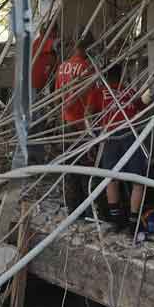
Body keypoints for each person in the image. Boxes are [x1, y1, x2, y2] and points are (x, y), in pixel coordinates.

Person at [89, 65, 148, 232]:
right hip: (129, 133)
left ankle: (117, 220)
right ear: (123, 75)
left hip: (111, 134)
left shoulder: (100, 91)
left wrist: (93, 137)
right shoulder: (129, 92)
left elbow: (88, 114)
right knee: (138, 181)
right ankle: (133, 221)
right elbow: (139, 107)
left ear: (106, 77)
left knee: (111, 178)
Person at [55, 36, 97, 212]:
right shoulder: (88, 68)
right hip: (81, 124)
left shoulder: (63, 67)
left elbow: (57, 96)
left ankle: (72, 208)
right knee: (86, 169)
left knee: (69, 169)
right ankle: (87, 210)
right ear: (88, 47)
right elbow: (91, 100)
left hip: (66, 122)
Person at [31, 24, 59, 92]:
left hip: (37, 86)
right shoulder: (43, 41)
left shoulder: (37, 43)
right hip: (33, 87)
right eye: (56, 32)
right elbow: (56, 43)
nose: (57, 35)